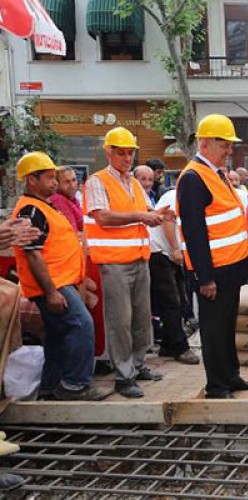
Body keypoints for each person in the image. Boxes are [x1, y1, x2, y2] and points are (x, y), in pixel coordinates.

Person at [11, 152, 111, 401]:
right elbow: (33, 255)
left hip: (60, 281)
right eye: (48, 177)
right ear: (31, 180)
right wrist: (51, 291)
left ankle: (51, 385)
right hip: (53, 284)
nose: (54, 182)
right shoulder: (31, 210)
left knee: (56, 335)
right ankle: (76, 384)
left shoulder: (43, 206)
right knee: (81, 325)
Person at [83, 127, 168, 398]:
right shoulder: (97, 181)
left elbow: (146, 211)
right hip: (114, 262)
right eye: (120, 153)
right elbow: (103, 218)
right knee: (120, 320)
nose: (126, 158)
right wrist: (143, 217)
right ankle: (123, 375)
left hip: (139, 258)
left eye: (130, 152)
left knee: (141, 317)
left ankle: (137, 364)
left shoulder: (132, 182)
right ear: (108, 153)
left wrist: (160, 214)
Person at [176, 114, 248, 399]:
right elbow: (194, 233)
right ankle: (217, 385)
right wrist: (204, 277)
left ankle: (230, 375)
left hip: (230, 267)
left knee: (227, 326)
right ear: (205, 143)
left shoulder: (216, 172)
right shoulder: (193, 178)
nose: (230, 150)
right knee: (213, 329)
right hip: (214, 272)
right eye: (225, 145)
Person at [147, 184, 200, 366]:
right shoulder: (174, 196)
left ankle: (169, 344)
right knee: (172, 301)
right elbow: (168, 221)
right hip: (160, 252)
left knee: (179, 299)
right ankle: (180, 347)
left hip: (171, 254)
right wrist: (176, 249)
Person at [48, 166, 83, 233]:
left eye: (74, 180)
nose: (72, 185)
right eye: (67, 182)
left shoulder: (73, 200)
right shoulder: (59, 200)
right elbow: (72, 232)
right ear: (56, 184)